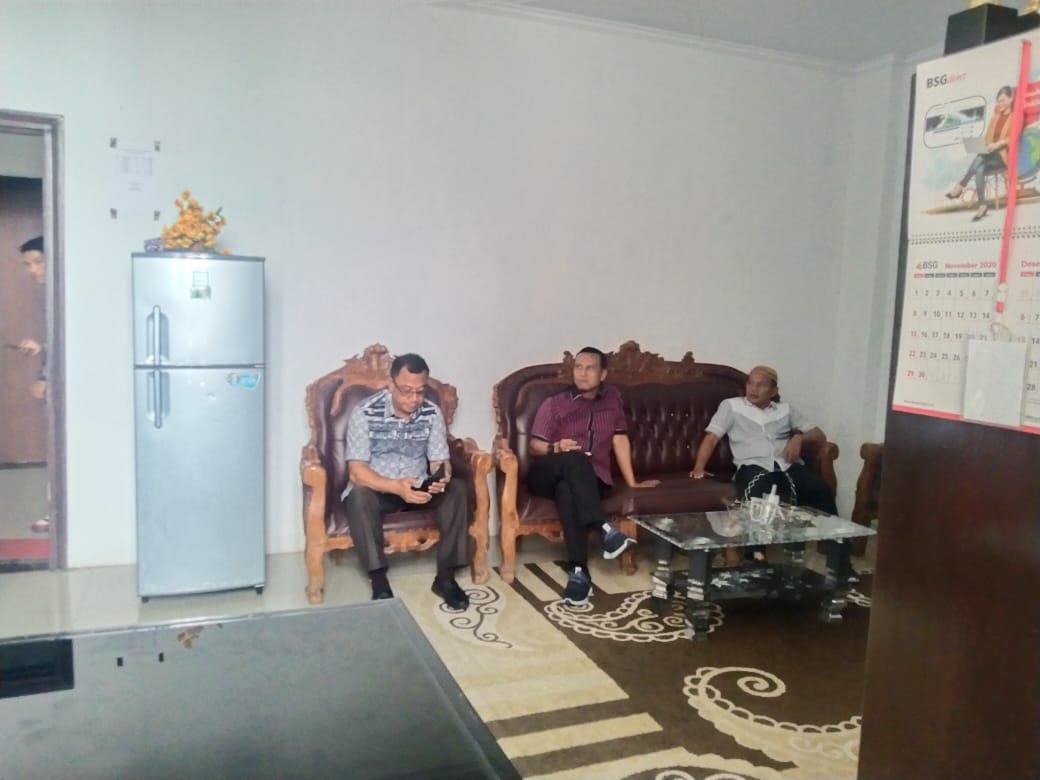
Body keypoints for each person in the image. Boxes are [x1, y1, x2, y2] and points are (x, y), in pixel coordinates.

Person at [527, 346, 659, 607]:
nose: (582, 373)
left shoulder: (613, 401)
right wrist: (556, 447)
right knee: (575, 459)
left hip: (590, 479)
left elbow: (620, 439)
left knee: (567, 491)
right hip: (546, 472)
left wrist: (632, 482)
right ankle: (603, 528)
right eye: (578, 367)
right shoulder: (555, 403)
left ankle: (578, 572)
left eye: (590, 368)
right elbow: (534, 446)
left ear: (603, 374)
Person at [343, 353, 471, 609]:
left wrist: (441, 477)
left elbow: (439, 461)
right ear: (391, 384)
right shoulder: (364, 413)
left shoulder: (431, 413)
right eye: (406, 391)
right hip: (380, 488)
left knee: (458, 489)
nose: (414, 399)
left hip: (417, 487)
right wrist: (395, 486)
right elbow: (356, 471)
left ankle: (445, 578)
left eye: (420, 392)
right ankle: (379, 580)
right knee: (358, 495)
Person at [690, 365, 837, 565]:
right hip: (752, 466)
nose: (753, 389)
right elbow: (712, 437)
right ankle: (756, 558)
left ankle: (839, 559)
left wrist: (798, 438)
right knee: (757, 494)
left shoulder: (785, 409)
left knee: (820, 490)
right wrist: (699, 467)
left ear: (773, 391)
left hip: (787, 465)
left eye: (761, 385)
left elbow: (819, 435)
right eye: (750, 383)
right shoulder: (732, 406)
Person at [945, 86, 1014, 222]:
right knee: (980, 168)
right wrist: (986, 146)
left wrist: (997, 144)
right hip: (990, 155)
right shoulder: (995, 118)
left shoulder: (1014, 117)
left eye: (1002, 100)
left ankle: (961, 185)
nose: (999, 104)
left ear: (1011, 99)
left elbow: (1013, 138)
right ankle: (982, 205)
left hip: (1003, 157)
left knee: (981, 157)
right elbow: (987, 138)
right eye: (998, 101)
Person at [15, 236, 47, 401]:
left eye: (38, 262)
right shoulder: (51, 295)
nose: (32, 270)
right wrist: (42, 348)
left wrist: (47, 380)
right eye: (27, 265)